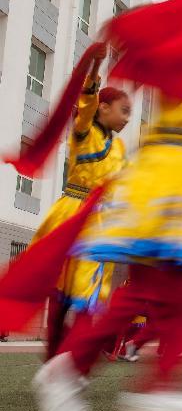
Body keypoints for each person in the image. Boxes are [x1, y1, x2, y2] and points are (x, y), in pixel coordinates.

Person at [32, 95, 182, 411]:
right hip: (170, 176)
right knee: (169, 291)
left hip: (171, 173)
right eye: (122, 111)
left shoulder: (177, 79)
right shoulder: (178, 63)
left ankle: (74, 368)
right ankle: (157, 383)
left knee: (148, 294)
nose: (126, 117)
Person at [31, 45, 131, 360]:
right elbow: (86, 100)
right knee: (64, 284)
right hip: (72, 212)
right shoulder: (83, 132)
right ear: (103, 109)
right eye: (123, 110)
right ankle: (56, 349)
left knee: (90, 286)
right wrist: (96, 64)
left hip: (100, 221)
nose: (127, 118)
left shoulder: (119, 147)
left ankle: (78, 350)